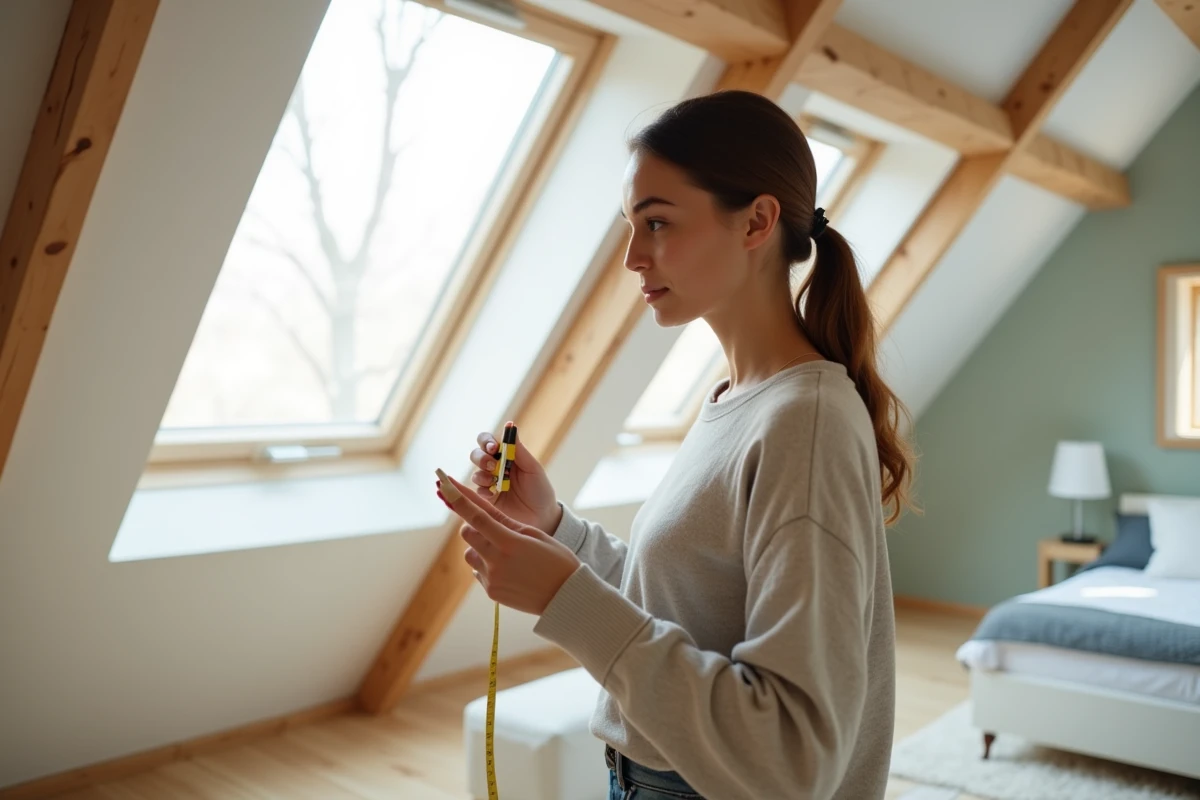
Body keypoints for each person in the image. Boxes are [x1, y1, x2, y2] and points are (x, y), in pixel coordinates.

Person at [435, 89, 916, 800]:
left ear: (756, 222)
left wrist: (565, 596)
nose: (632, 256)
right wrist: (556, 529)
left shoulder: (802, 424)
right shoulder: (735, 401)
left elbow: (792, 755)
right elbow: (690, 601)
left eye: (657, 223)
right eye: (631, 226)